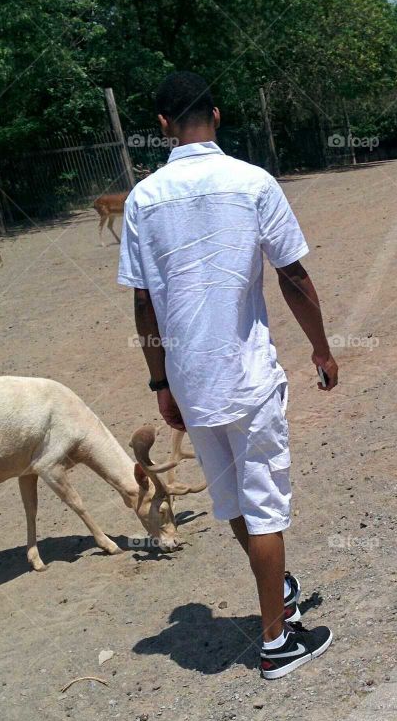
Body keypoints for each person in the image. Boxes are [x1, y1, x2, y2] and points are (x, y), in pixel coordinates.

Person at [119, 71, 338, 680]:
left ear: (162, 125)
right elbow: (292, 276)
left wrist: (161, 384)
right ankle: (276, 642)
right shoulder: (252, 182)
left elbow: (144, 304)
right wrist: (322, 349)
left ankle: (280, 591)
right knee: (265, 503)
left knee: (237, 501)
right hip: (246, 376)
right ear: (215, 115)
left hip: (191, 382)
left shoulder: (143, 199)